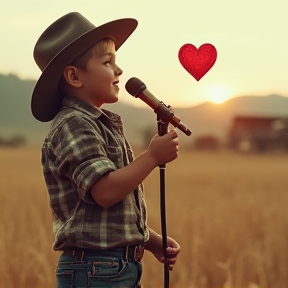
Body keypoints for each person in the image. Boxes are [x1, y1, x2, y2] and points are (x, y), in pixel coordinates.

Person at [31, 12, 180, 288]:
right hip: (95, 269)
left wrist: (150, 241)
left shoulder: (101, 125)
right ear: (74, 76)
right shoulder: (74, 124)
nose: (119, 70)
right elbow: (105, 192)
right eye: (108, 62)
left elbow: (107, 218)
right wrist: (151, 157)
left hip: (114, 267)